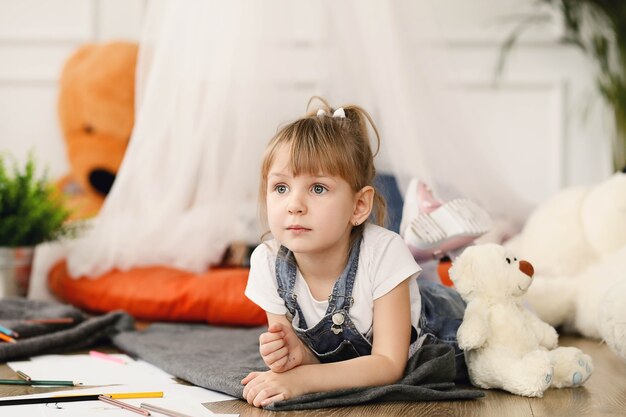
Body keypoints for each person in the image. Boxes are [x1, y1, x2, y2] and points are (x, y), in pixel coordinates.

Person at [242, 97, 466, 408]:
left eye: (318, 188)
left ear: (359, 206)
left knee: (503, 320)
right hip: (369, 349)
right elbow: (320, 364)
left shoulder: (383, 251)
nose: (294, 204)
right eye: (281, 188)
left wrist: (299, 381)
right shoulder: (267, 261)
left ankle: (463, 262)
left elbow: (388, 364)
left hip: (451, 325)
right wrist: (296, 355)